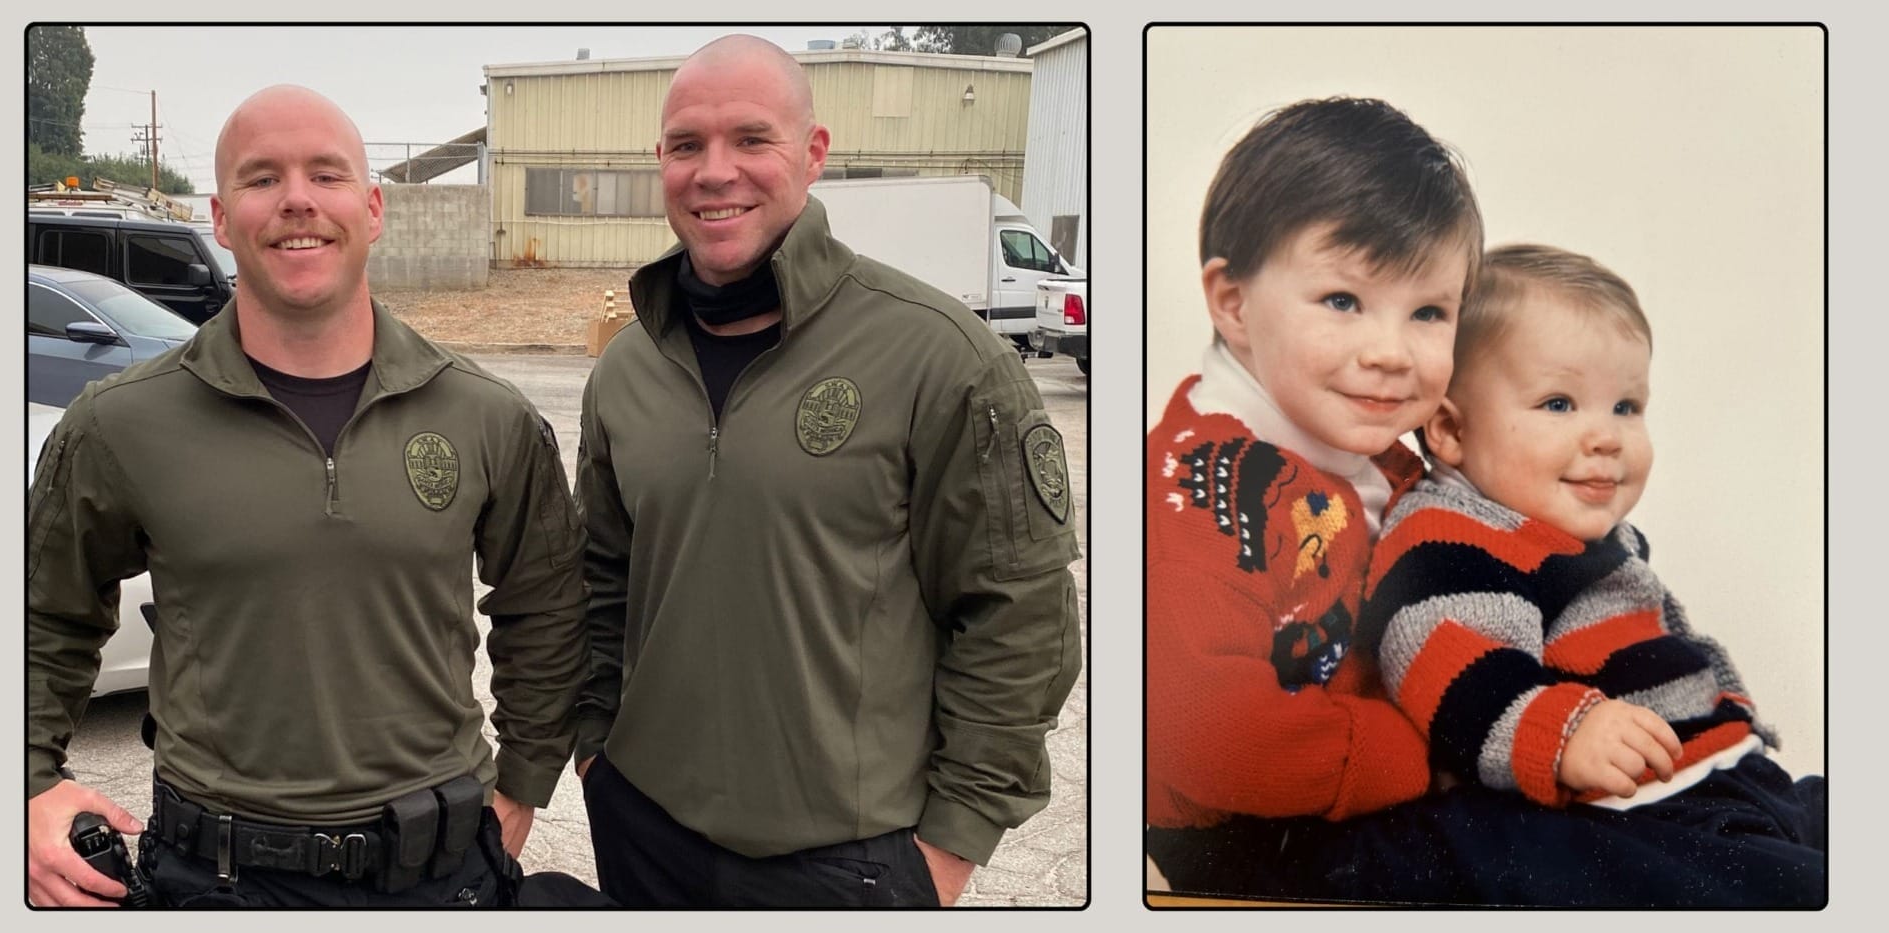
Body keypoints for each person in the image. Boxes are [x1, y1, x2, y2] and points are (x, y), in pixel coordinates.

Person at [25, 85, 590, 907]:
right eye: (263, 178)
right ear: (221, 218)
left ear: (373, 208)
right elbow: (42, 616)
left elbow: (546, 607)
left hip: (440, 877)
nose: (297, 199)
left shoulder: (485, 415)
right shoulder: (119, 424)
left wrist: (524, 781)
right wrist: (26, 782)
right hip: (215, 880)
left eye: (326, 175)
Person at [570, 35, 1082, 907]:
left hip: (849, 864)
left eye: (751, 139)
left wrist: (948, 846)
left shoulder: (937, 356)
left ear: (813, 154)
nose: (715, 171)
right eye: (687, 145)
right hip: (644, 832)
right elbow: (602, 579)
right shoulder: (627, 367)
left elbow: (1019, 612)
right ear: (661, 162)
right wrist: (595, 750)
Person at [1356, 244, 1825, 905]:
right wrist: (1566, 734)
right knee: (1797, 891)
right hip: (1637, 815)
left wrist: (1728, 704)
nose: (1607, 436)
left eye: (1626, 406)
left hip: (1724, 777)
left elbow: (1669, 632)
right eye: (1559, 403)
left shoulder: (1598, 536)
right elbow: (1451, 665)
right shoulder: (1453, 533)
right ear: (1451, 430)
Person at [1143, 96, 1483, 896]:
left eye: (1429, 312)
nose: (1391, 352)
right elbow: (1210, 737)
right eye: (1343, 301)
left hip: (1367, 794)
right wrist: (1427, 753)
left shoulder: (1385, 461)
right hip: (1248, 831)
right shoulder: (1197, 489)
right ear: (1233, 303)